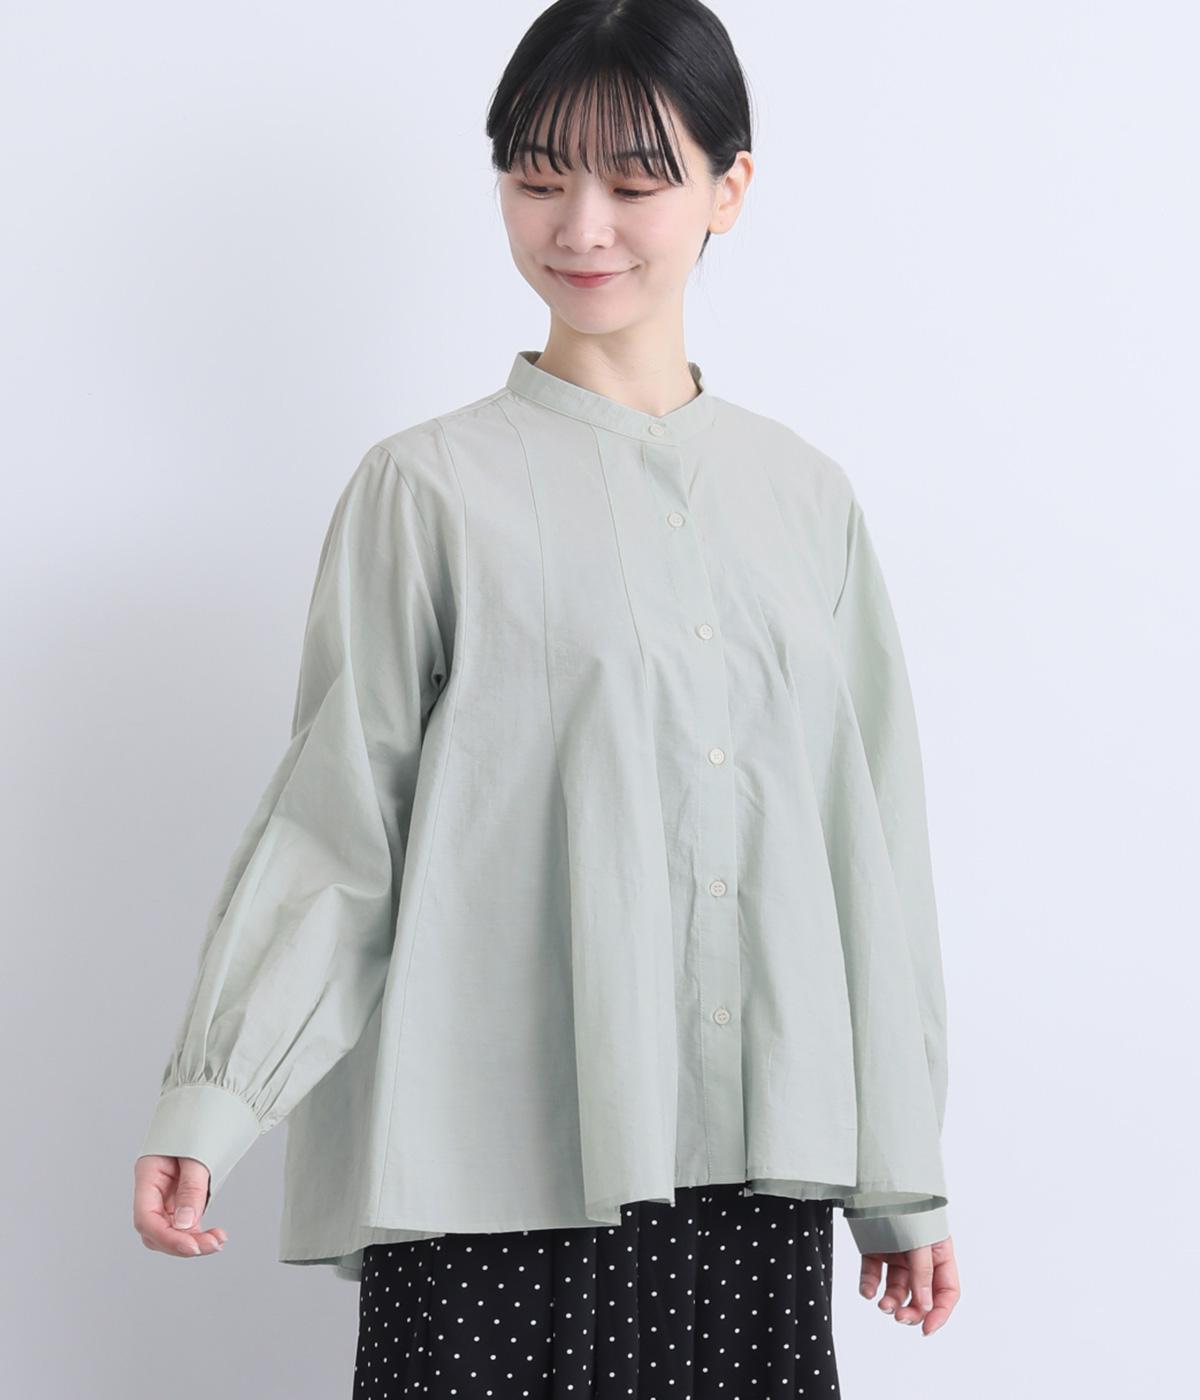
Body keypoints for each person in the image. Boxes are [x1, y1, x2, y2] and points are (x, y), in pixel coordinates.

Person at [133, 0, 962, 1392]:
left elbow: (870, 853)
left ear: (728, 189)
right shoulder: (424, 491)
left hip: (758, 1190)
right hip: (484, 1184)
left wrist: (904, 1172)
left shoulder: (804, 500)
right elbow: (341, 828)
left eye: (636, 182)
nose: (581, 227)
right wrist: (217, 1094)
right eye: (536, 179)